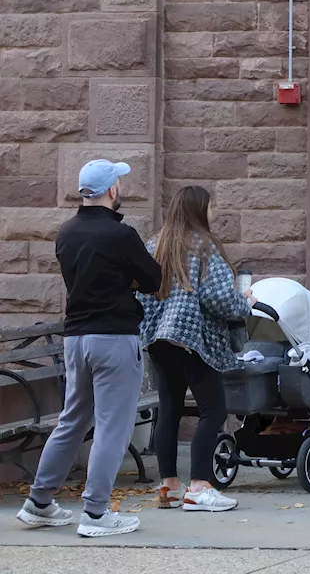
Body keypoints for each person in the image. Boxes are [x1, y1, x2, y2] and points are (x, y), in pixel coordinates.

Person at [16, 159, 162, 538]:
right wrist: (128, 280)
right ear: (112, 190)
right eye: (119, 183)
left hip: (76, 339)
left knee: (72, 420)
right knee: (113, 427)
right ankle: (96, 513)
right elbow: (153, 279)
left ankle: (39, 502)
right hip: (114, 337)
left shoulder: (66, 233)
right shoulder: (122, 235)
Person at [141, 185, 252, 513]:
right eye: (211, 206)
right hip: (192, 340)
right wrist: (244, 304)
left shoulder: (154, 243)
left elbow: (140, 293)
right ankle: (200, 487)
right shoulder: (205, 246)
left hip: (159, 339)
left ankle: (169, 486)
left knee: (170, 410)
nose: (214, 211)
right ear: (199, 209)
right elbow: (217, 298)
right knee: (213, 410)